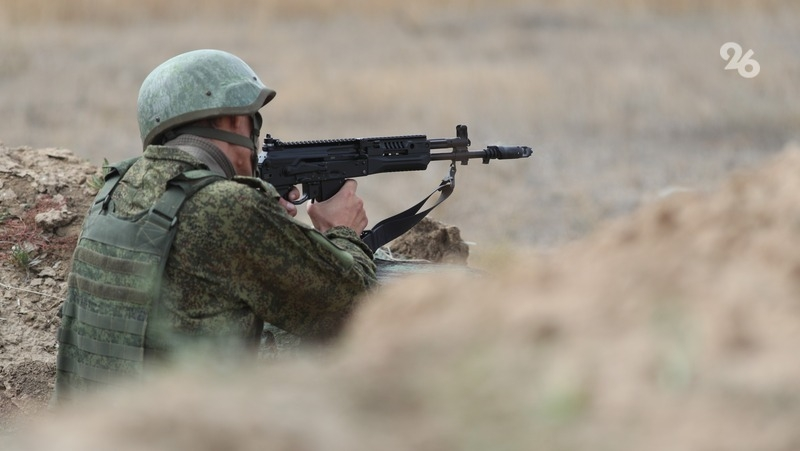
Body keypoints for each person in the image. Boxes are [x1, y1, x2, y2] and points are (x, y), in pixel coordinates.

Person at [53, 49, 377, 402]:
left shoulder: (117, 185)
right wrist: (342, 231)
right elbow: (350, 307)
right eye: (253, 120)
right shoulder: (228, 206)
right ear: (234, 122)